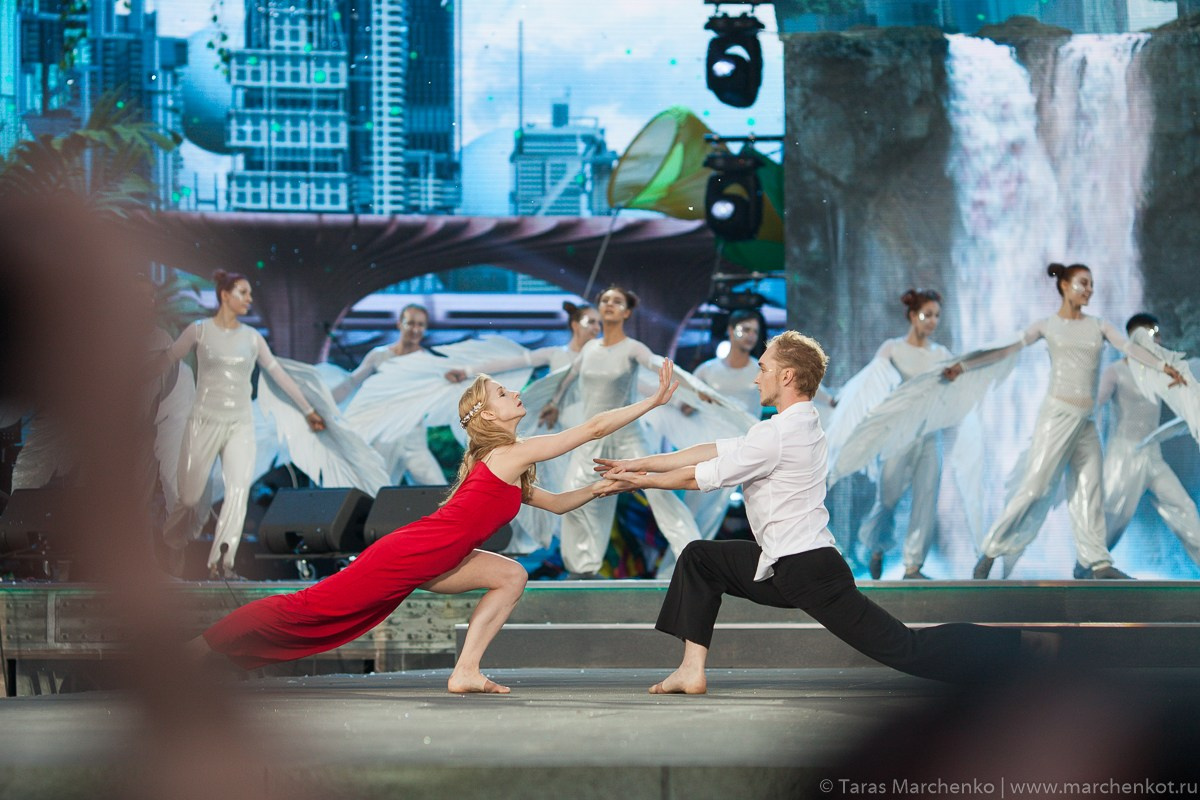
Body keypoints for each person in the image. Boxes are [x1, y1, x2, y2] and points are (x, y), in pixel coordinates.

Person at [597, 331, 1056, 692]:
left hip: (810, 571)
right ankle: (691, 670)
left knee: (907, 647)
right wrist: (636, 464)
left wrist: (637, 481)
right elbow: (709, 448)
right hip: (782, 566)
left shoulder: (778, 435)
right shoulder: (791, 425)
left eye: (764, 369)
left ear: (788, 377)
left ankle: (1019, 648)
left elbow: (700, 474)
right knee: (700, 558)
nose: (756, 377)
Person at [191, 359, 680, 693]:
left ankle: (465, 670)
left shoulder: (505, 461)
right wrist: (652, 402)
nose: (515, 394)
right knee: (306, 608)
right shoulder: (509, 453)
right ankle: (193, 650)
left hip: (439, 556)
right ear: (488, 413)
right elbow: (591, 429)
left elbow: (554, 505)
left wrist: (604, 488)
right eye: (504, 392)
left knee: (512, 575)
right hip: (410, 552)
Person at [961, 264, 1185, 580]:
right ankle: (990, 550)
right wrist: (965, 365)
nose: (1089, 289)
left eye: (1092, 284)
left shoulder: (1099, 325)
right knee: (1035, 489)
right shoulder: (1048, 325)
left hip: (1086, 422)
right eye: (1083, 283)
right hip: (1057, 417)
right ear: (1064, 285)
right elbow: (1007, 349)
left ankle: (1098, 562)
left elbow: (1128, 347)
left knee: (1089, 490)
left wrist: (1163, 366)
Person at [159, 270, 326, 579]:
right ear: (225, 295)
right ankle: (172, 543)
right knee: (191, 498)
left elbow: (278, 375)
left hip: (239, 423)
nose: (250, 299)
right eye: (244, 293)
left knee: (238, 491)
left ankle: (222, 565)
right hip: (203, 421)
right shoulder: (198, 331)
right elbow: (167, 359)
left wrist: (308, 410)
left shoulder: (252, 338)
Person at [537, 285, 710, 577]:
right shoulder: (590, 348)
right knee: (574, 495)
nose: (609, 304)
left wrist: (694, 389)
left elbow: (656, 363)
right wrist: (554, 403)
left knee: (660, 492)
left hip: (628, 439)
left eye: (616, 301)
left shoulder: (632, 348)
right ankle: (583, 568)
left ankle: (695, 557)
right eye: (605, 300)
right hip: (591, 439)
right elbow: (568, 376)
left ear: (627, 312)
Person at [849, 289, 952, 580]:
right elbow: (872, 380)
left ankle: (913, 565)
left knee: (926, 498)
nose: (932, 321)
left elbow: (958, 381)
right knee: (888, 497)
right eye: (926, 315)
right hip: (898, 434)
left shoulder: (941, 354)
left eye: (936, 316)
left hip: (930, 434)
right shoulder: (892, 348)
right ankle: (876, 545)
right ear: (911, 315)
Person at [1095, 313, 1200, 575]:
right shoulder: (1116, 371)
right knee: (1112, 518)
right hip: (1124, 454)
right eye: (1149, 335)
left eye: (1157, 335)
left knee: (1183, 507)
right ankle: (1086, 567)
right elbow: (1094, 406)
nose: (1155, 340)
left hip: (1153, 454)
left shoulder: (1159, 374)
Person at [336, 304, 447, 485]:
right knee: (377, 489)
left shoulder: (429, 361)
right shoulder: (379, 356)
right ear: (399, 324)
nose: (415, 329)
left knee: (437, 488)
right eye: (410, 323)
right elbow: (351, 383)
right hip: (385, 436)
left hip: (414, 438)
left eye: (420, 325)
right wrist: (320, 404)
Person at [444, 300, 601, 382]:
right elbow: (509, 363)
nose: (597, 328)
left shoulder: (603, 356)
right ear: (575, 325)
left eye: (599, 323)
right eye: (591, 322)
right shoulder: (554, 353)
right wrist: (467, 371)